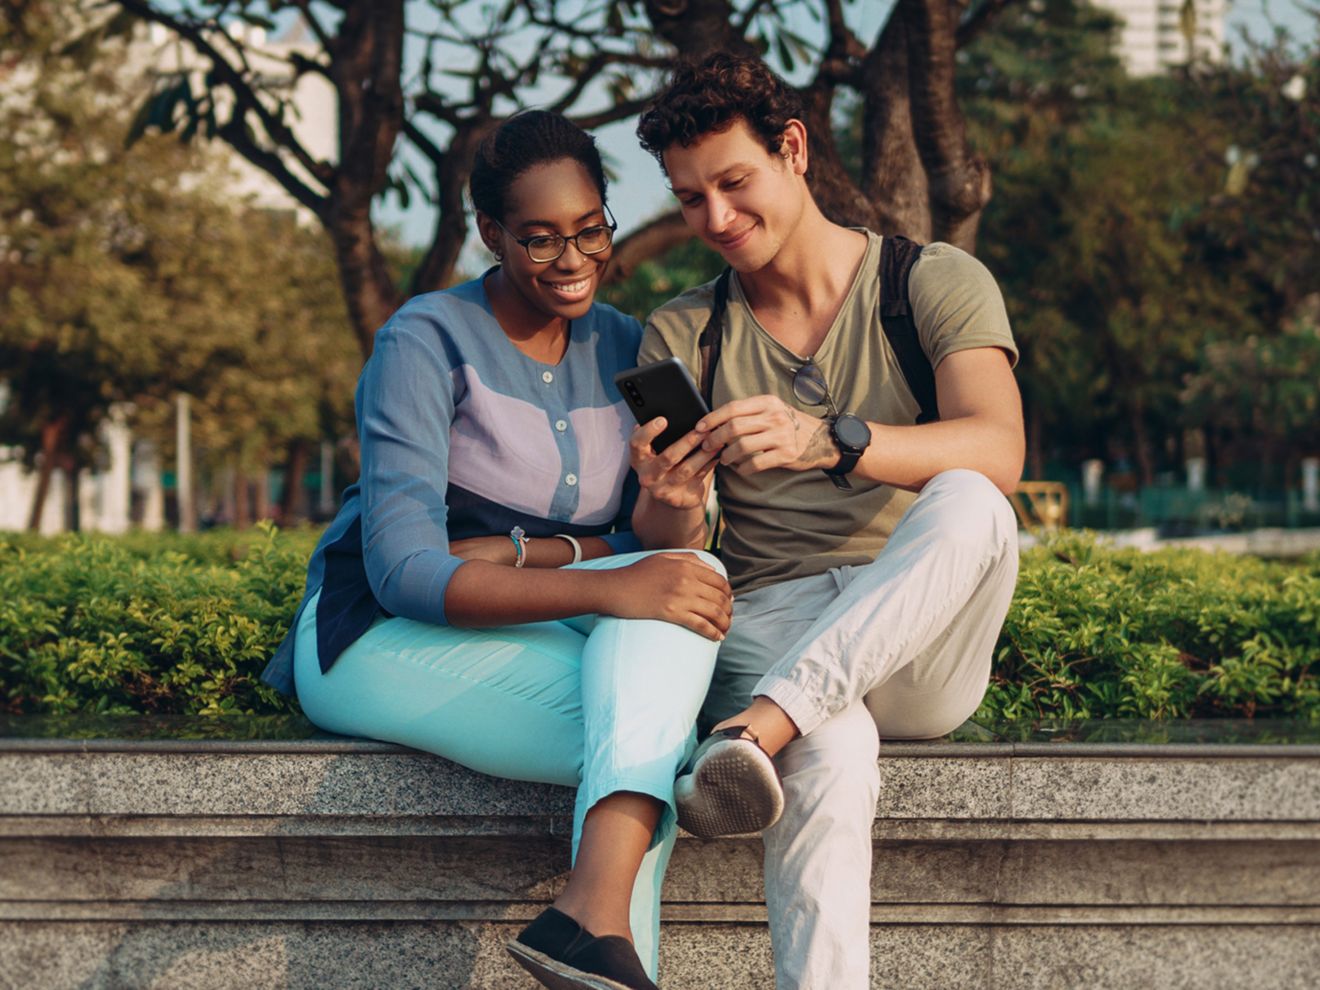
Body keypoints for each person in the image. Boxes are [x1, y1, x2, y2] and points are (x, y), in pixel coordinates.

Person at [260, 110, 733, 990]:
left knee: (688, 578)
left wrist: (569, 543)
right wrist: (601, 577)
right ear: (491, 233)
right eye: (542, 239)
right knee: (653, 743)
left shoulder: (628, 346)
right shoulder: (424, 339)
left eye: (591, 230)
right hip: (375, 641)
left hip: (531, 626)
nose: (573, 259)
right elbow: (406, 573)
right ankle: (597, 929)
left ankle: (588, 920)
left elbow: (650, 547)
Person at [629, 53, 1024, 989]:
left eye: (734, 183)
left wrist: (830, 440)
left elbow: (1000, 449)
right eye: (690, 200)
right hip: (776, 617)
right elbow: (669, 552)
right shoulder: (684, 333)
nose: (716, 220)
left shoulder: (930, 282)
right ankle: (779, 725)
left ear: (793, 149)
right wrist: (670, 499)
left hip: (920, 632)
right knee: (833, 743)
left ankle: (759, 728)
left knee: (971, 496)